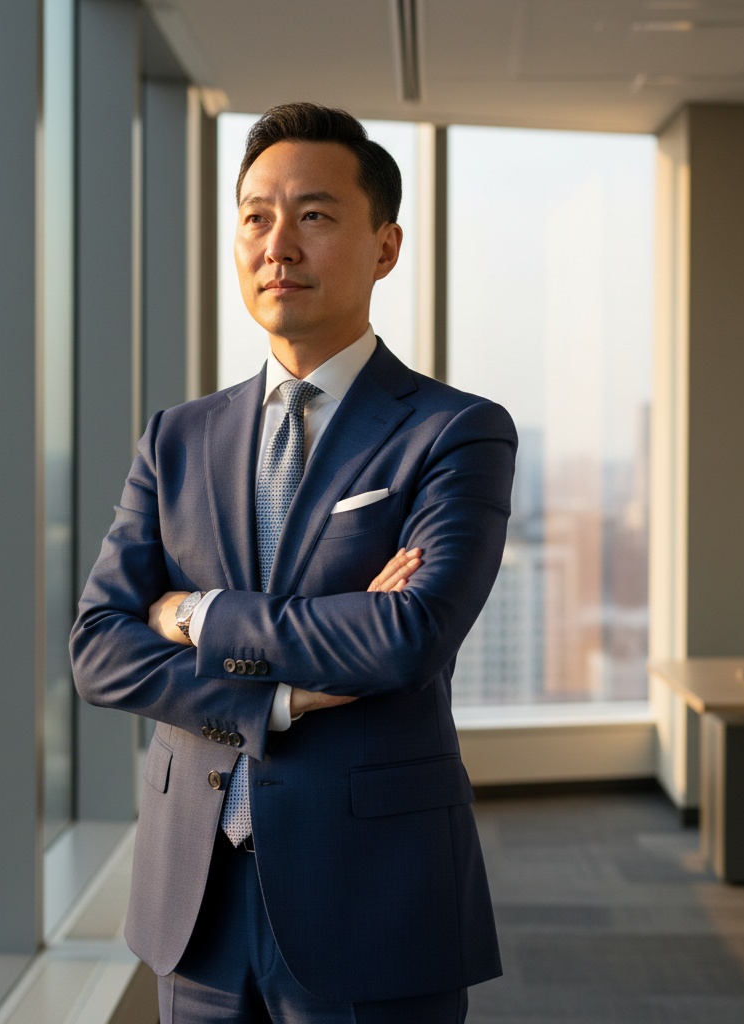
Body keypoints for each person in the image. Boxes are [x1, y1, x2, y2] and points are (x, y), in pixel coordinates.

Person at [71, 101, 517, 1023]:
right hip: (193, 898)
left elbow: (407, 634)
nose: (280, 244)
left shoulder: (455, 431)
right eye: (256, 216)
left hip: (370, 891)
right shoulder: (177, 439)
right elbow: (99, 647)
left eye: (314, 215)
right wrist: (271, 700)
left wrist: (193, 615)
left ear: (385, 247)